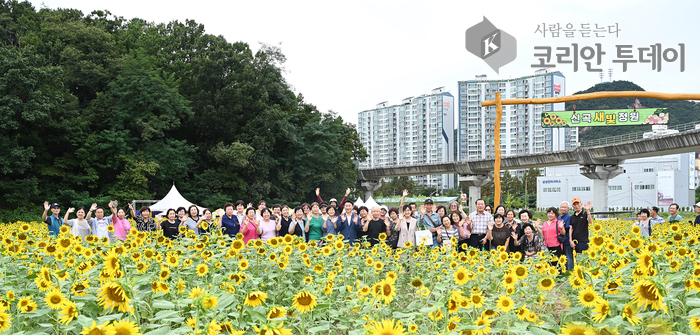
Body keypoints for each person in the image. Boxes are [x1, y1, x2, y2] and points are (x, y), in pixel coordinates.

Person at [558, 201, 574, 271]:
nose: (563, 208)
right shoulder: (558, 217)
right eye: (562, 207)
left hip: (567, 240)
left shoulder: (569, 217)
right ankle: (563, 271)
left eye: (565, 207)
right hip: (560, 241)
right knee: (562, 257)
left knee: (569, 256)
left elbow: (567, 228)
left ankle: (570, 271)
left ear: (568, 208)